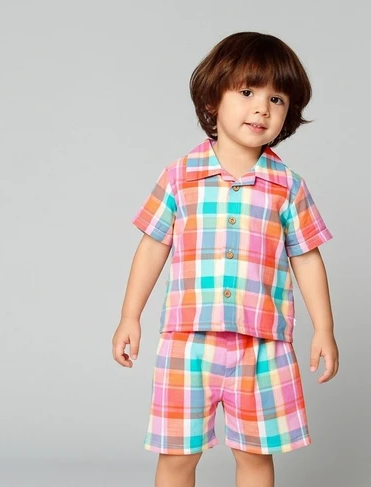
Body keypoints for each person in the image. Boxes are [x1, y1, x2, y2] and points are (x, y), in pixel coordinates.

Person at [112, 31, 339, 487]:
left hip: (262, 346)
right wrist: (129, 316)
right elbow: (153, 245)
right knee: (178, 457)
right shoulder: (180, 177)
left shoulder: (288, 186)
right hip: (188, 342)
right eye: (248, 92)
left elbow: (307, 257)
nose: (262, 108)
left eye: (276, 99)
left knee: (255, 457)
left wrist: (324, 329)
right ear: (212, 100)